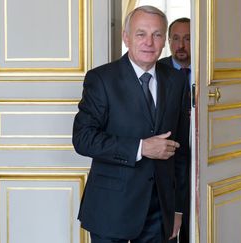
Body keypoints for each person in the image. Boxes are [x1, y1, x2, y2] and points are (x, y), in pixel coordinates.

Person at [73, 5, 190, 243]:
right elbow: (83, 139)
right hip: (111, 209)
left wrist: (177, 210)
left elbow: (180, 153)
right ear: (126, 38)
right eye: (141, 34)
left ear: (163, 41)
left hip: (160, 213)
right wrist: (140, 148)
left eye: (157, 34)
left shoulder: (177, 81)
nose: (149, 42)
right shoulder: (101, 79)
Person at [159, 17, 191, 243]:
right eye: (176, 38)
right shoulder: (157, 70)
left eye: (188, 38)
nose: (181, 45)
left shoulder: (208, 69)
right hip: (167, 156)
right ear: (169, 41)